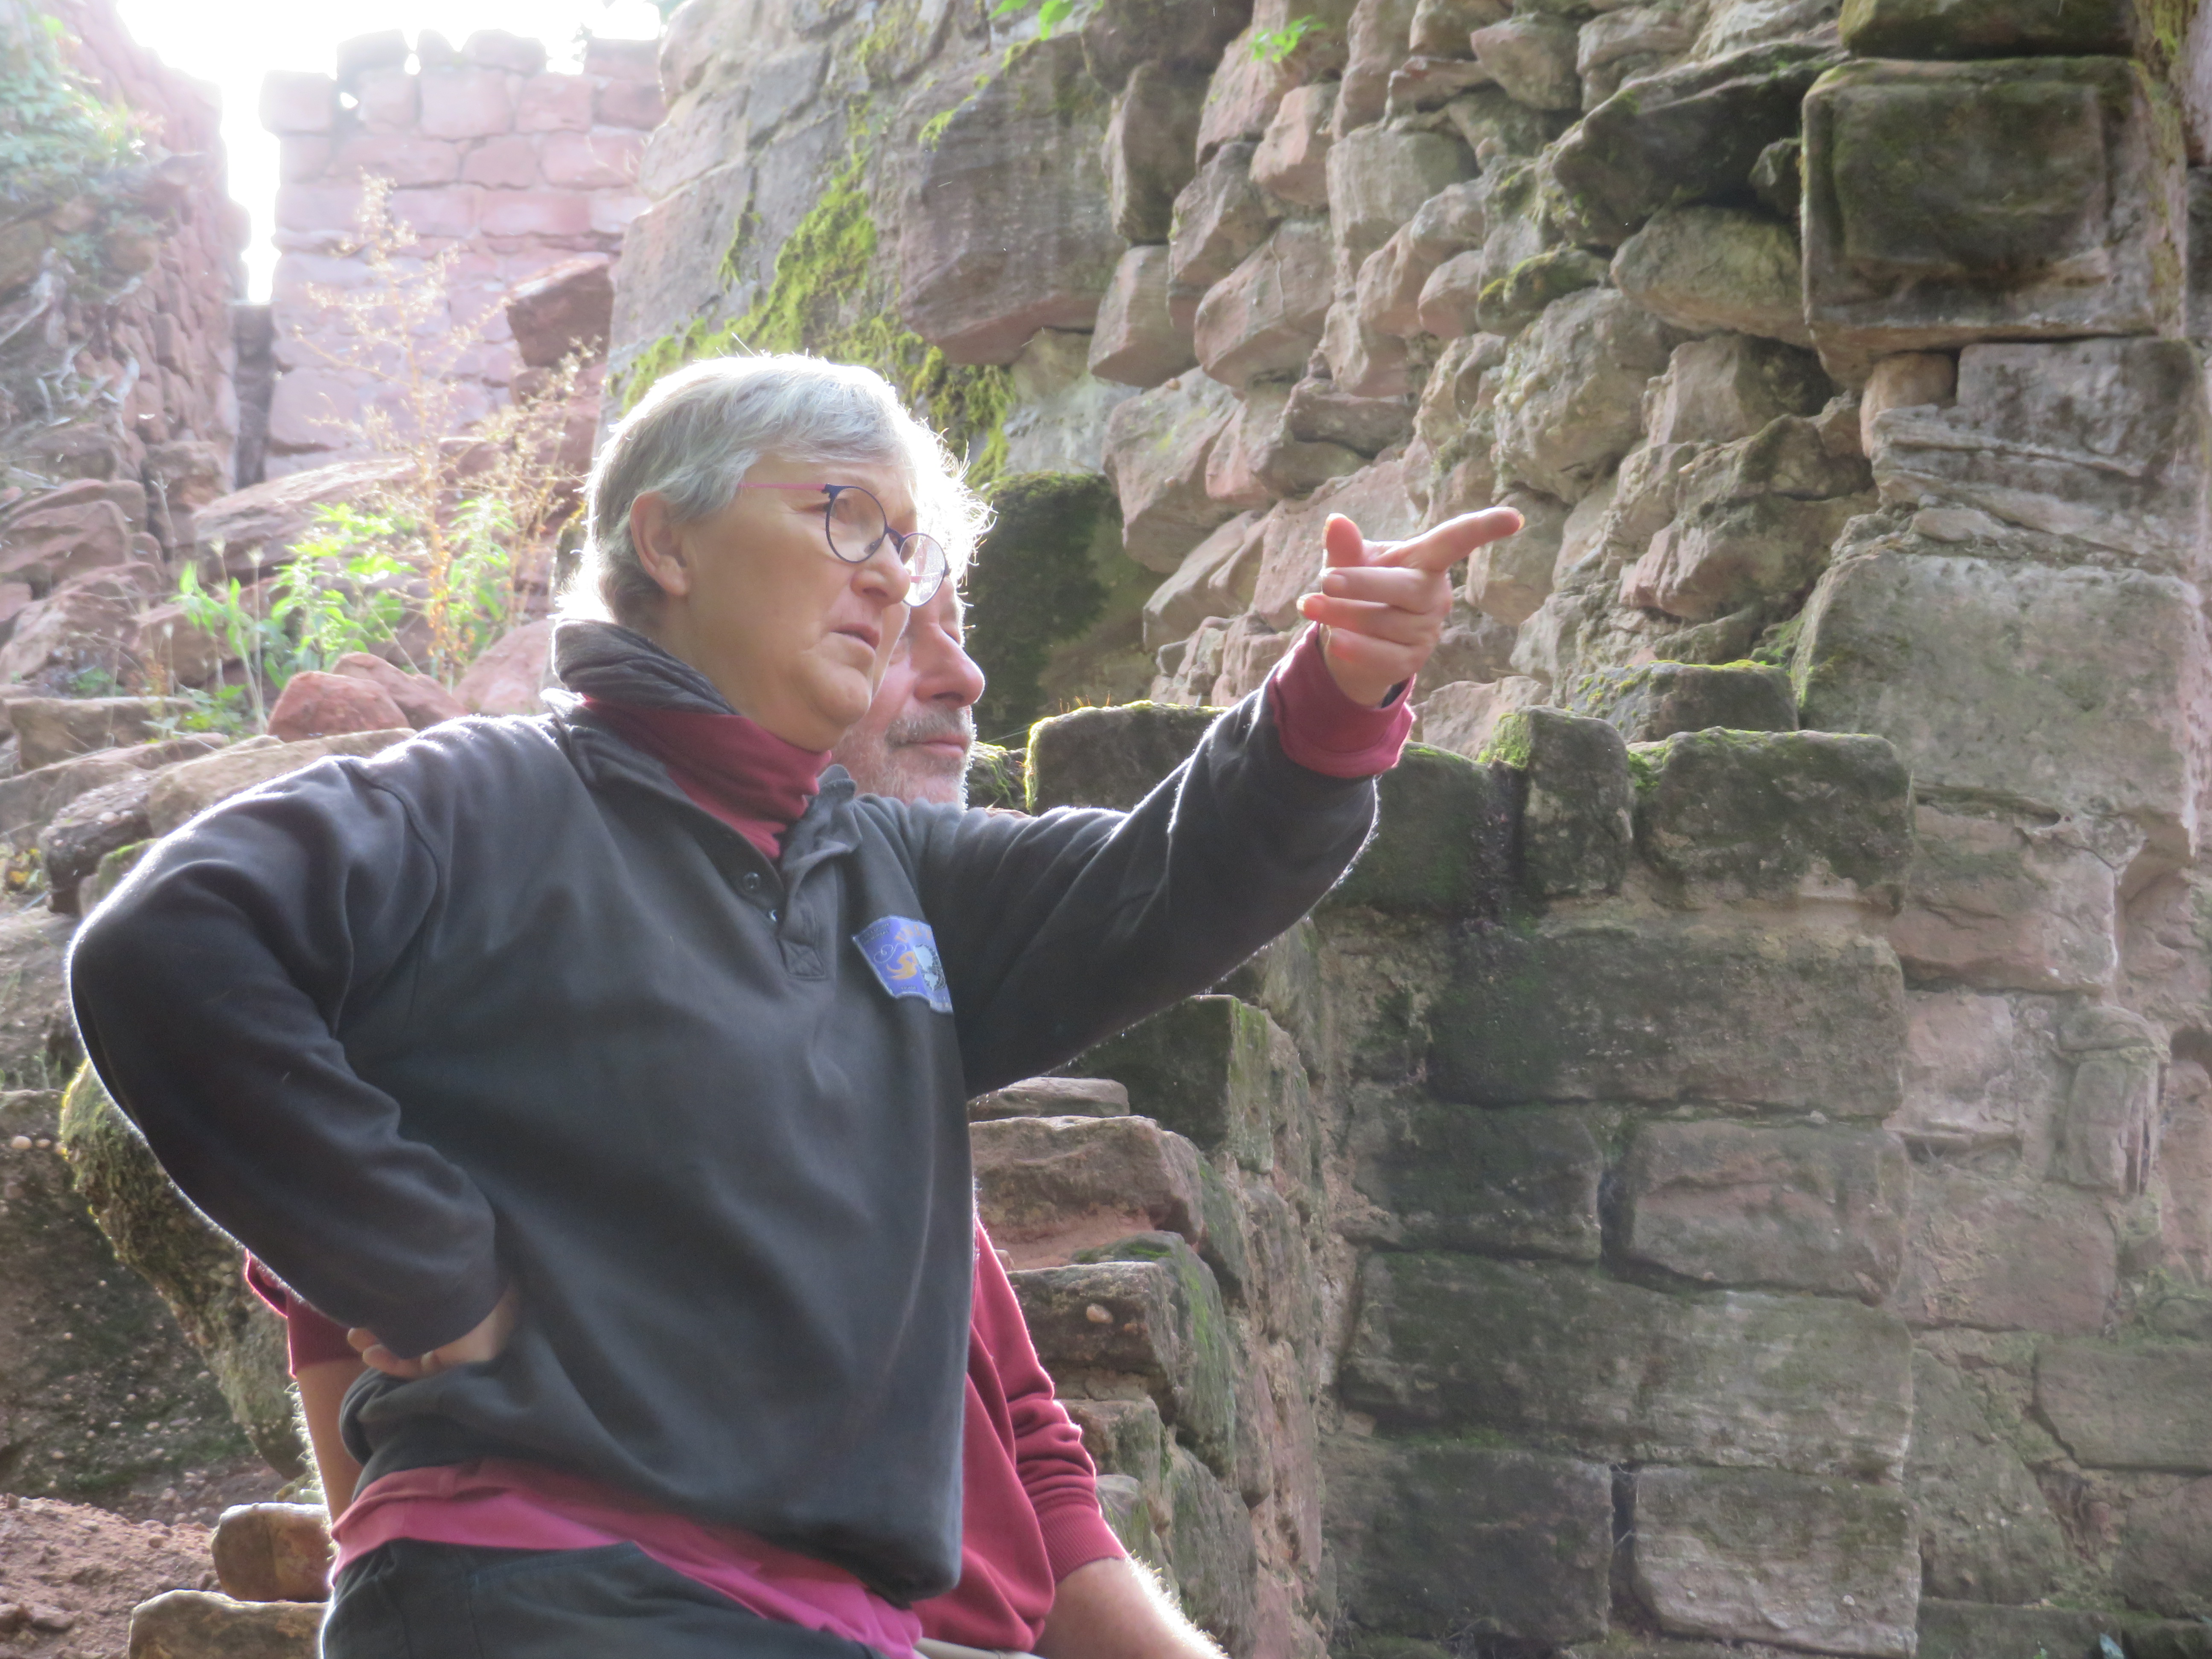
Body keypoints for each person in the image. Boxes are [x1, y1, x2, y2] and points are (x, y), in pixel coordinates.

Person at [69, 354, 1520, 1658]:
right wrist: (416, 1261)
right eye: (844, 515)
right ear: (667, 541)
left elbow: (1167, 877)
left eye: (906, 541)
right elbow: (165, 944)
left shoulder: (887, 869)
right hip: (546, 1599)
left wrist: (1335, 693)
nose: (888, 577)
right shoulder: (482, 799)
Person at [255, 584, 1220, 1659]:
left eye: (958, 631)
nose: (963, 678)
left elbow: (1041, 1481)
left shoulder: (877, 1093)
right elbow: (392, 1525)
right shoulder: (493, 1048)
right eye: (895, 633)